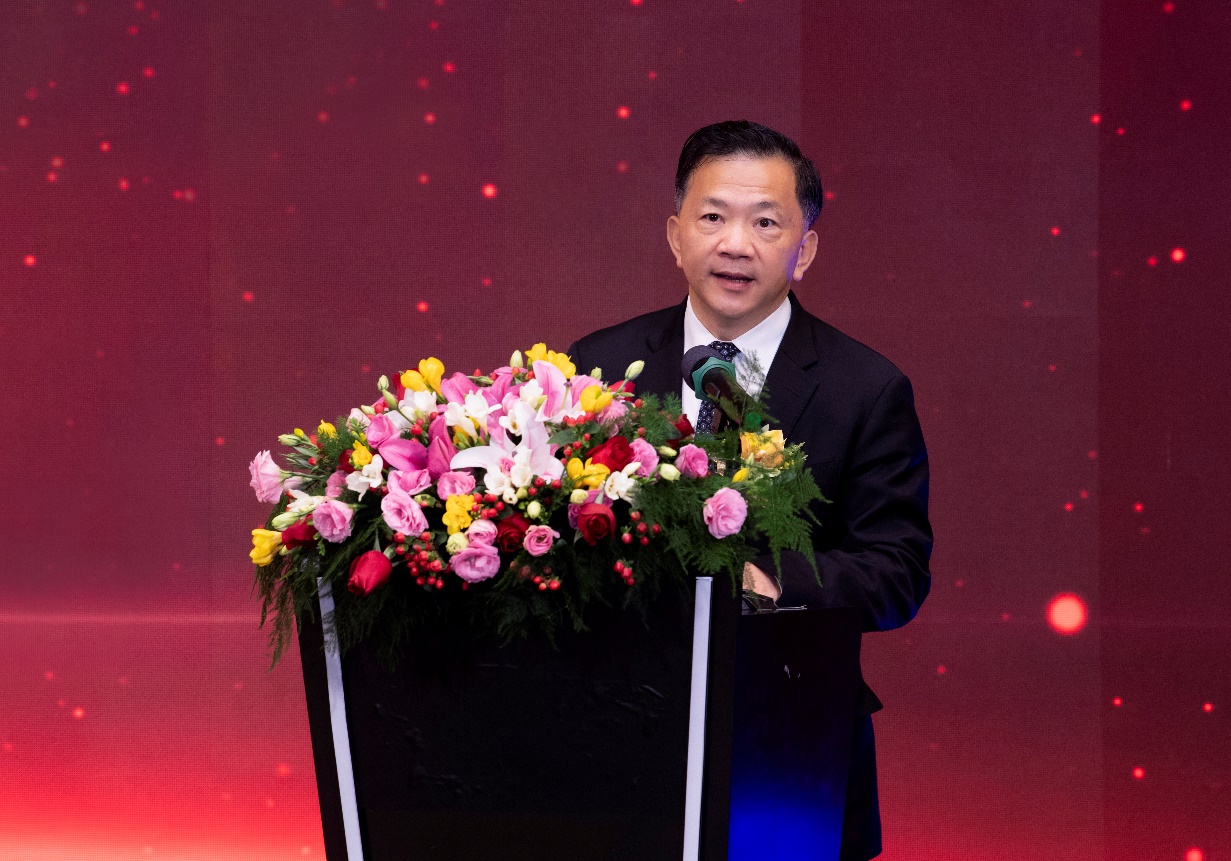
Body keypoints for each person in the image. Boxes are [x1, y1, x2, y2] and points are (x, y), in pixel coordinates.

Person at [567, 120, 932, 860]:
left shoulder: (865, 388)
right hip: (613, 738)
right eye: (712, 217)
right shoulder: (599, 365)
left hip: (790, 748)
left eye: (766, 223)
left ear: (806, 249)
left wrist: (765, 581)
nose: (736, 244)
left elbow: (897, 571)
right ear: (675, 236)